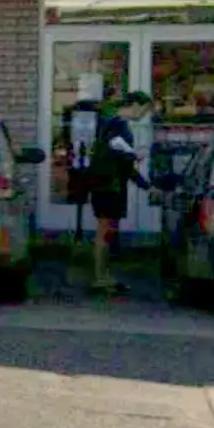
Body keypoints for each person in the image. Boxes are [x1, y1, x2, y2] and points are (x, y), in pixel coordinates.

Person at [86, 92, 149, 295]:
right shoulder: (118, 124)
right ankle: (100, 277)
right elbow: (119, 155)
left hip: (104, 183)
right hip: (109, 185)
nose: (145, 114)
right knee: (105, 231)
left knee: (106, 230)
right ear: (136, 104)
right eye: (145, 109)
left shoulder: (108, 120)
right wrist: (134, 157)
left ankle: (103, 276)